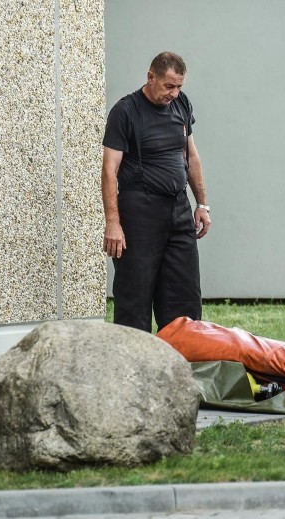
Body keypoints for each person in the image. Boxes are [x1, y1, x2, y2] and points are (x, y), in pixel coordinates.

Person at [101, 51, 212, 332]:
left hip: (178, 209)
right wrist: (113, 223)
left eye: (179, 87)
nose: (174, 93)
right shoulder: (126, 111)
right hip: (139, 212)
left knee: (184, 295)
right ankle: (133, 370)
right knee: (134, 297)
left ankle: (182, 367)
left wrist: (202, 204)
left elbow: (191, 156)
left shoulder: (181, 105)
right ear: (151, 77)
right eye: (169, 86)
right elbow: (109, 170)